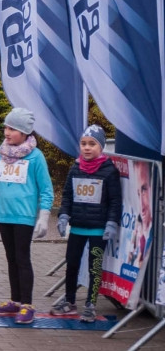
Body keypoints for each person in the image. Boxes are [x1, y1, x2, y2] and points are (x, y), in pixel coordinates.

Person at [0, 108, 53, 324]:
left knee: (22, 258)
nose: (7, 132)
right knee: (10, 258)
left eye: (13, 129)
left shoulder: (36, 157)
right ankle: (15, 300)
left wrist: (44, 216)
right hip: (4, 215)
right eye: (7, 127)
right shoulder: (0, 154)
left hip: (24, 217)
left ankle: (27, 304)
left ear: (25, 132)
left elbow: (46, 189)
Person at [51, 126, 121, 322]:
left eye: (92, 144)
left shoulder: (109, 171)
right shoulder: (75, 168)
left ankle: (91, 305)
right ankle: (70, 302)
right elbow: (67, 195)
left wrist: (111, 223)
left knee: (94, 267)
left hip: (98, 229)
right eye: (83, 144)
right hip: (78, 227)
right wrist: (64, 215)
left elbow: (115, 200)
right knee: (71, 264)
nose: (87, 148)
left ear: (101, 147)